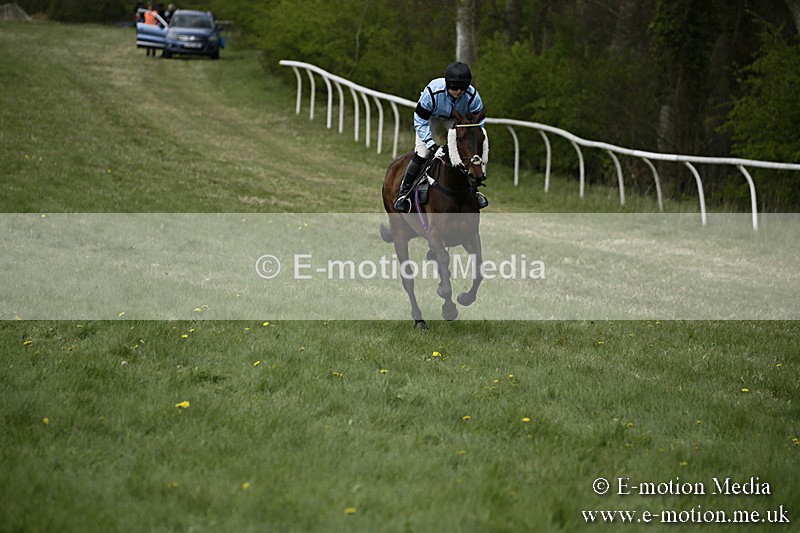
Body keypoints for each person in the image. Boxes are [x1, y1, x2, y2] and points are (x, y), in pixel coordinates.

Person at [394, 61, 489, 212]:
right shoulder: (432, 92)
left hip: (455, 119)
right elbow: (420, 121)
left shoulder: (472, 97)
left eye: (462, 88)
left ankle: (474, 192)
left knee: (467, 155)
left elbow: (478, 125)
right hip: (430, 117)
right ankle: (404, 194)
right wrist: (431, 144)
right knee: (423, 152)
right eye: (454, 88)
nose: (458, 91)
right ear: (447, 84)